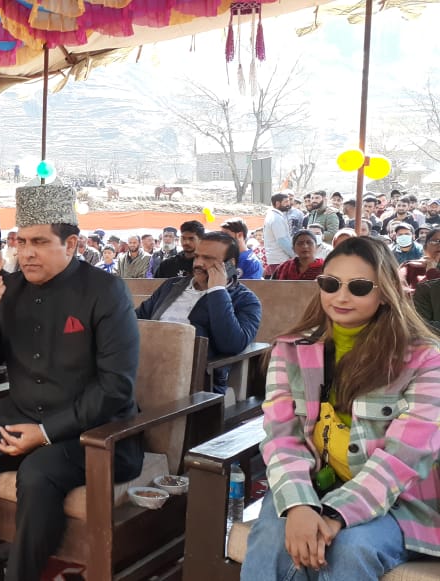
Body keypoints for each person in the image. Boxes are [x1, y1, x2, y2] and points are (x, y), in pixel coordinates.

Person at [0, 183, 143, 581]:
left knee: (37, 472)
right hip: (20, 416)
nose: (27, 252)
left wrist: (46, 433)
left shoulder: (106, 291)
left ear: (71, 245)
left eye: (40, 242)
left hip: (95, 431)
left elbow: (116, 387)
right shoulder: (9, 287)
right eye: (21, 241)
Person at [241, 236, 440, 581]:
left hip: (398, 502)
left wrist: (336, 513)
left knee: (349, 548)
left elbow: (405, 457)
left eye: (359, 287)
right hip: (310, 484)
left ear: (385, 292)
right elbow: (281, 437)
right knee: (273, 535)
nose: (341, 297)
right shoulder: (290, 350)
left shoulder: (424, 359)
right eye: (330, 284)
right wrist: (300, 505)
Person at [136, 232, 261, 393]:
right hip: (144, 367)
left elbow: (231, 344)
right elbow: (137, 318)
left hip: (196, 382)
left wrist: (217, 290)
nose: (198, 263)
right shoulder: (172, 286)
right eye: (197, 256)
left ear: (229, 264)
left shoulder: (245, 300)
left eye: (208, 259)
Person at [265, 193, 296, 277]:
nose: (288, 204)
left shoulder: (274, 216)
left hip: (277, 259)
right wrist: (295, 255)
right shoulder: (276, 218)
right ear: (278, 203)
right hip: (279, 260)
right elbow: (282, 240)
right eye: (286, 202)